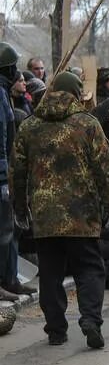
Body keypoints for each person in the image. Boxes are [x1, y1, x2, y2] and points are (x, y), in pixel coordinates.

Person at [12, 71, 109, 349]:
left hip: (45, 217)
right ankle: (91, 321)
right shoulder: (87, 124)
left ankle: (56, 330)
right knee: (90, 270)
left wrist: (20, 208)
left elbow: (17, 172)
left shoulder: (29, 126)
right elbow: (105, 169)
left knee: (50, 274)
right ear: (75, 93)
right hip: (82, 215)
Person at [0, 42, 35, 301]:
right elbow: (1, 140)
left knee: (10, 230)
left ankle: (10, 280)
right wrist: (4, 179)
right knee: (4, 233)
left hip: (8, 172)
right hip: (3, 175)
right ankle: (5, 281)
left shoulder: (3, 93)